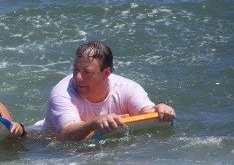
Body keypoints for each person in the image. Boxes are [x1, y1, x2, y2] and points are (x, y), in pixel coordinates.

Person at [42, 41, 176, 141]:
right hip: (45, 143)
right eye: (76, 69)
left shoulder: (128, 88)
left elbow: (147, 113)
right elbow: (65, 133)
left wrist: (161, 108)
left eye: (87, 72)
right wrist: (96, 122)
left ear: (106, 73)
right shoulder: (62, 93)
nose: (77, 77)